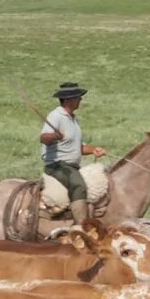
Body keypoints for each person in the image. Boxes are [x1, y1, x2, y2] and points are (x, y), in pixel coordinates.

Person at [39, 82, 98, 227]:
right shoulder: (56, 116)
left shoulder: (74, 120)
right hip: (58, 165)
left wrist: (94, 150)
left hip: (72, 166)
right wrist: (54, 136)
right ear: (69, 100)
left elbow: (79, 148)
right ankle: (81, 226)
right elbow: (44, 138)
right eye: (78, 97)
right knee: (78, 185)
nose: (81, 100)